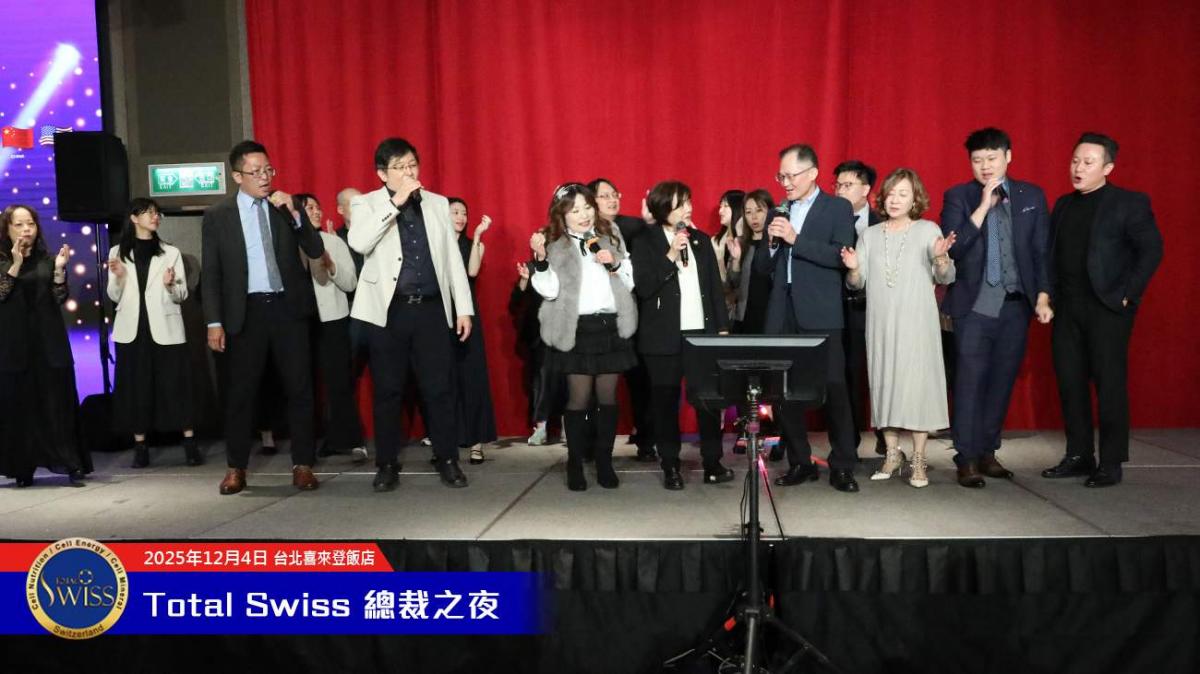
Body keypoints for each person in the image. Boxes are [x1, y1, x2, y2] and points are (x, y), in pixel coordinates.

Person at [348, 137, 474, 491]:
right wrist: (396, 202)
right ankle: (387, 463)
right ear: (382, 174)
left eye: (412, 165)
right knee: (388, 391)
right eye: (399, 167)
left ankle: (447, 459)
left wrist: (463, 307)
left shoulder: (437, 203)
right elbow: (359, 242)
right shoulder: (366, 203)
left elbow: (452, 258)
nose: (408, 172)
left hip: (431, 309)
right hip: (388, 312)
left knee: (439, 389)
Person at [202, 140, 325, 495]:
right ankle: (236, 467)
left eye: (268, 170)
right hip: (246, 312)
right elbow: (211, 273)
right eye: (256, 172)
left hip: (288, 309)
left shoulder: (285, 206)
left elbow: (315, 249)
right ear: (237, 176)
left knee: (300, 389)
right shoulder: (218, 215)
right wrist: (214, 322)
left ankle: (303, 464)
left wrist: (296, 216)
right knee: (241, 394)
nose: (265, 177)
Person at [1041, 132, 1162, 488]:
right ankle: (1079, 455)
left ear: (1108, 168)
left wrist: (1127, 295)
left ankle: (1111, 462)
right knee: (1070, 383)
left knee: (1109, 386)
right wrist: (1047, 296)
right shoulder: (1063, 205)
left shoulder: (1129, 202)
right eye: (1075, 161)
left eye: (1088, 162)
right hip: (1067, 308)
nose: (1078, 168)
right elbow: (1051, 255)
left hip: (1107, 308)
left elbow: (1152, 249)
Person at [940, 128, 1053, 488]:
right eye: (977, 160)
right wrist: (982, 207)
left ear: (1008, 157)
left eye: (992, 158)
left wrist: (1044, 295)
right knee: (969, 383)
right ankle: (965, 457)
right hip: (973, 307)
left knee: (1002, 381)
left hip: (1015, 305)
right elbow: (955, 248)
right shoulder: (958, 196)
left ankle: (988, 451)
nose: (985, 166)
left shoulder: (1031, 196)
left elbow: (1042, 250)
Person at [753, 144, 860, 492]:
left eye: (791, 175)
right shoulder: (778, 212)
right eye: (780, 176)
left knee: (834, 388)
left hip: (821, 312)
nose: (785, 182)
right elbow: (762, 268)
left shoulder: (837, 208)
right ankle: (800, 461)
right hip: (781, 312)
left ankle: (843, 464)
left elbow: (839, 256)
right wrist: (772, 243)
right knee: (783, 392)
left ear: (813, 173)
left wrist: (795, 239)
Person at [842, 168, 957, 488]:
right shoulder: (869, 235)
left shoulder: (928, 229)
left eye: (903, 194)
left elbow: (946, 277)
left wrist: (942, 258)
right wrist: (853, 268)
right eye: (891, 194)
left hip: (918, 321)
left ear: (915, 199)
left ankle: (919, 459)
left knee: (918, 386)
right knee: (884, 383)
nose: (895, 200)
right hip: (881, 321)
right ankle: (892, 454)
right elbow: (856, 283)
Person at [530, 183, 637, 491]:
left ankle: (604, 461)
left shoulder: (610, 233)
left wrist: (614, 263)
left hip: (609, 327)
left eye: (587, 207)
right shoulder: (555, 242)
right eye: (575, 210)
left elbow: (629, 281)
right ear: (562, 214)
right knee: (578, 399)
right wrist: (540, 259)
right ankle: (575, 462)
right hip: (576, 329)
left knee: (608, 398)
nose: (583, 215)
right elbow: (549, 290)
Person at [632, 181, 735, 489]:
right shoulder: (644, 241)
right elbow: (645, 288)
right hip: (662, 338)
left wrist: (722, 330)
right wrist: (670, 255)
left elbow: (714, 289)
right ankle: (670, 465)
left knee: (708, 401)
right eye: (680, 205)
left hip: (701, 334)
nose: (687, 209)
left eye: (688, 202)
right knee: (665, 404)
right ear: (663, 208)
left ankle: (713, 463)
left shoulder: (700, 240)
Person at [0, 204, 90, 487]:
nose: (26, 229)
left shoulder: (48, 260)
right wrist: (15, 264)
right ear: (7, 229)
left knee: (57, 404)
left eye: (30, 223)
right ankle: (22, 468)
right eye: (19, 224)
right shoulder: (2, 262)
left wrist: (60, 272)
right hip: (14, 345)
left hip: (49, 341)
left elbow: (59, 297)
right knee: (20, 406)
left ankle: (71, 464)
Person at [107, 198, 201, 468]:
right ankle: (140, 446)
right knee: (136, 387)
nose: (155, 216)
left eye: (157, 212)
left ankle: (190, 443)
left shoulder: (170, 253)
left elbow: (181, 294)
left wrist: (170, 285)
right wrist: (120, 277)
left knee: (176, 386)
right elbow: (113, 295)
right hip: (132, 330)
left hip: (166, 328)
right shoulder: (117, 252)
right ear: (134, 218)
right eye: (148, 212)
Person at [292, 193, 367, 463]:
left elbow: (351, 283)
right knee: (302, 385)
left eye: (317, 207)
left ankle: (350, 440)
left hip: (333, 320)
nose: (315, 212)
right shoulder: (287, 242)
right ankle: (309, 444)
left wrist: (332, 266)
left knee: (339, 382)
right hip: (299, 322)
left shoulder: (333, 242)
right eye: (308, 208)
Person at [588, 177, 657, 462]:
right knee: (593, 384)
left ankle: (646, 439)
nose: (612, 199)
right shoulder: (584, 231)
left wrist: (650, 224)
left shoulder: (635, 226)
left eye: (614, 194)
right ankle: (592, 444)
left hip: (634, 315)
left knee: (641, 381)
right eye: (604, 195)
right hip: (599, 318)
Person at [832, 161, 889, 460]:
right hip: (842, 310)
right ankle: (848, 443)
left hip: (879, 310)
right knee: (848, 376)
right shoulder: (828, 220)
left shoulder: (883, 223)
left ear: (866, 189)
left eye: (847, 185)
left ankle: (887, 435)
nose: (840, 191)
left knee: (883, 374)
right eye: (837, 185)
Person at [449, 197, 498, 464]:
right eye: (455, 212)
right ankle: (446, 441)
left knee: (472, 377)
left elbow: (472, 271)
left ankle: (476, 443)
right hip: (440, 316)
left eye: (464, 213)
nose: (460, 217)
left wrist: (478, 236)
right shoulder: (434, 245)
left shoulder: (473, 244)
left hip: (467, 315)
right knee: (445, 379)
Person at [731, 189, 774, 335]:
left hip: (772, 316)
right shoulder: (741, 243)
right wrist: (736, 261)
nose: (754, 217)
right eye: (748, 212)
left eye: (759, 210)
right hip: (745, 317)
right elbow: (732, 284)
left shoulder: (777, 244)